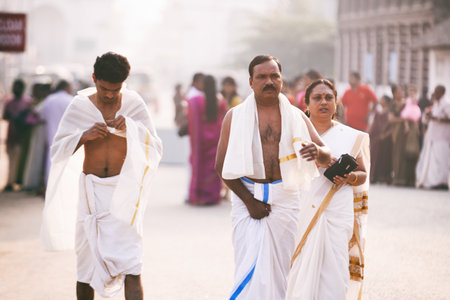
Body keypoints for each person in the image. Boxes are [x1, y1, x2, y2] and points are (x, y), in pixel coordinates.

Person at [40, 52, 162, 300]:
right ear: (94, 78)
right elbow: (57, 150)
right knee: (85, 268)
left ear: (124, 84)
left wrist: (132, 129)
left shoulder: (134, 104)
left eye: (115, 90)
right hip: (91, 194)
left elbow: (155, 147)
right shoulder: (80, 107)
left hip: (124, 194)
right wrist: (83, 136)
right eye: (104, 88)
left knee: (132, 266)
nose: (108, 94)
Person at [215, 55, 331, 299]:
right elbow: (221, 166)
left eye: (274, 76)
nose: (269, 81)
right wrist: (249, 202)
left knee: (280, 270)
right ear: (250, 81)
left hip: (286, 196)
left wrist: (317, 152)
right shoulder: (234, 117)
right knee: (248, 266)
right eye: (262, 77)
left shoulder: (296, 116)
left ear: (281, 80)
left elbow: (326, 153)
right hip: (247, 198)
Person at [286, 79, 370, 300]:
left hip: (337, 207)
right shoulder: (294, 134)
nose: (323, 102)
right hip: (301, 206)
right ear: (306, 103)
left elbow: (363, 174)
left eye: (328, 97)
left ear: (336, 102)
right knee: (299, 264)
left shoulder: (351, 136)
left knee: (335, 267)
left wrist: (350, 177)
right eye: (317, 98)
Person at [187, 75, 227, 205]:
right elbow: (223, 118)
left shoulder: (196, 100)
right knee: (214, 167)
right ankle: (213, 196)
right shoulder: (221, 100)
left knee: (200, 166)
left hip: (201, 137)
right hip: (216, 136)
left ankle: (198, 195)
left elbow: (192, 120)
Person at [416, 85, 450, 189]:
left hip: (442, 137)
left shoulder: (446, 104)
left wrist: (436, 118)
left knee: (441, 160)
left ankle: (442, 181)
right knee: (432, 161)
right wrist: (429, 117)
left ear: (442, 93)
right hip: (432, 137)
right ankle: (433, 181)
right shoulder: (435, 105)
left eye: (437, 92)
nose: (435, 94)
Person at [40, 80, 73, 184]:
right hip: (67, 136)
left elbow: (41, 116)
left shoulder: (49, 100)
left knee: (51, 160)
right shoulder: (71, 100)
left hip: (51, 134)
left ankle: (49, 184)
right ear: (66, 87)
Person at [2, 79, 33, 191]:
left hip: (22, 136)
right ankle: (10, 182)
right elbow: (5, 117)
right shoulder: (9, 102)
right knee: (11, 159)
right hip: (12, 135)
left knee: (19, 160)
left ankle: (17, 181)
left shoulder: (28, 102)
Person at [368, 95, 393, 184]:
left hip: (384, 139)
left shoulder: (389, 113)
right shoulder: (378, 113)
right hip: (374, 138)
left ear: (386, 101)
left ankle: (383, 177)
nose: (380, 100)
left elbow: (391, 126)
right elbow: (373, 124)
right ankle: (373, 176)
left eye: (382, 99)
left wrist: (384, 135)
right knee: (373, 156)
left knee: (383, 157)